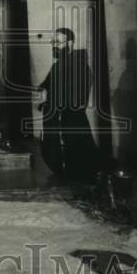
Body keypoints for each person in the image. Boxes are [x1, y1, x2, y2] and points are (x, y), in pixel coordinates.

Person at [37, 27, 101, 183]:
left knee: (79, 154)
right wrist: (45, 95)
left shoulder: (78, 64)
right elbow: (46, 85)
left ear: (70, 43)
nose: (54, 45)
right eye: (53, 42)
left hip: (71, 117)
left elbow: (76, 96)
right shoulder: (58, 65)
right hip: (58, 115)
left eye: (58, 42)